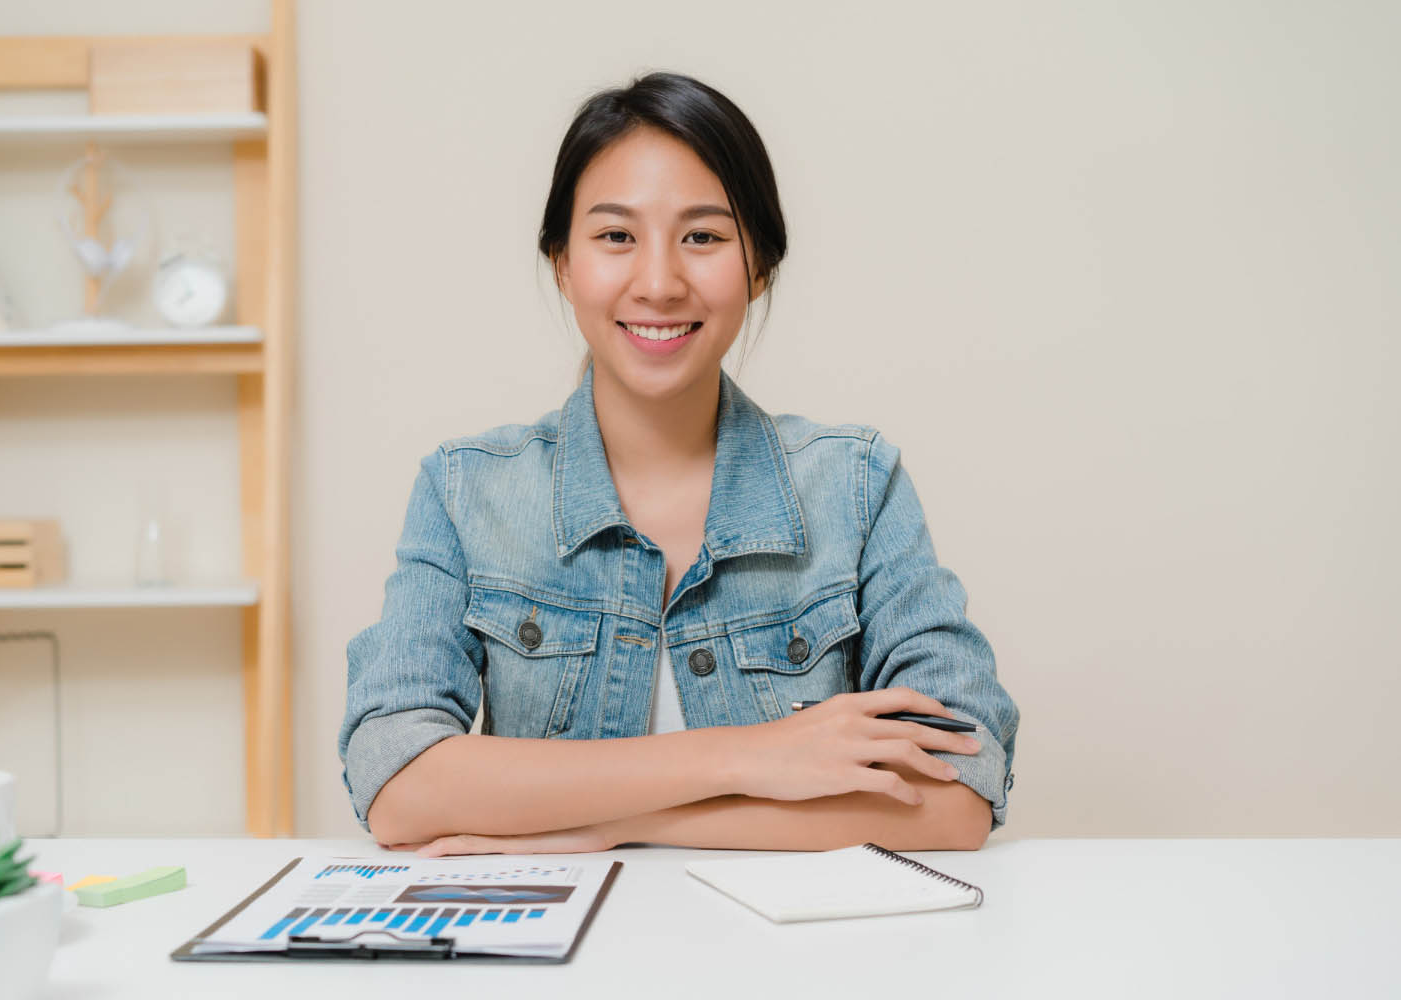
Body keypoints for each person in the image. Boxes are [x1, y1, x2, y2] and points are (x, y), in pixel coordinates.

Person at [339, 71, 1019, 857]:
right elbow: (395, 781)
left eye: (703, 236)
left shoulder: (857, 486)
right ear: (563, 263)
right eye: (615, 237)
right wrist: (747, 758)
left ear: (758, 265)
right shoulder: (467, 490)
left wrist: (609, 826)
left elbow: (957, 792)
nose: (659, 284)